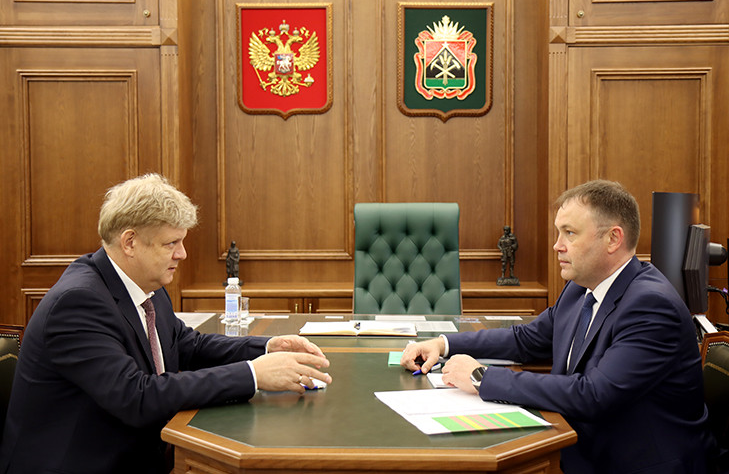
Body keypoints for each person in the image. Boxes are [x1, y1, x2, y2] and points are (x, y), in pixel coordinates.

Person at [0, 174, 332, 474]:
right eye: (171, 243)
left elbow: (187, 345)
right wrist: (253, 375)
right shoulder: (78, 302)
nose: (182, 254)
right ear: (130, 242)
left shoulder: (146, 286)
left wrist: (268, 347)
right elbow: (137, 397)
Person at [401, 180, 713, 474]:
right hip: (579, 447)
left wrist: (481, 377)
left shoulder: (651, 306)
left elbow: (594, 395)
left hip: (630, 465)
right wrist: (443, 344)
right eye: (558, 233)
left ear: (613, 239)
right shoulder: (580, 288)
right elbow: (525, 339)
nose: (556, 246)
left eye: (570, 233)